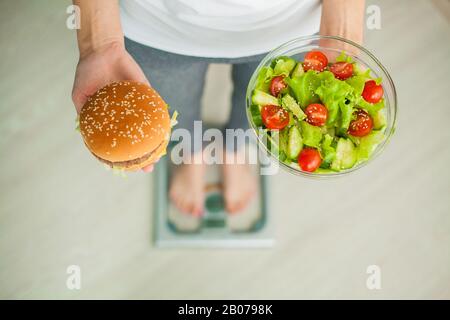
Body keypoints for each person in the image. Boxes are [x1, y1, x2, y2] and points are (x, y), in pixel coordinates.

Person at [72, 0, 365, 216]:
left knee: (266, 111)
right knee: (172, 107)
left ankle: (235, 149)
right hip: (155, 25)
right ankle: (192, 152)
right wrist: (99, 43)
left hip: (288, 25)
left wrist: (340, 33)